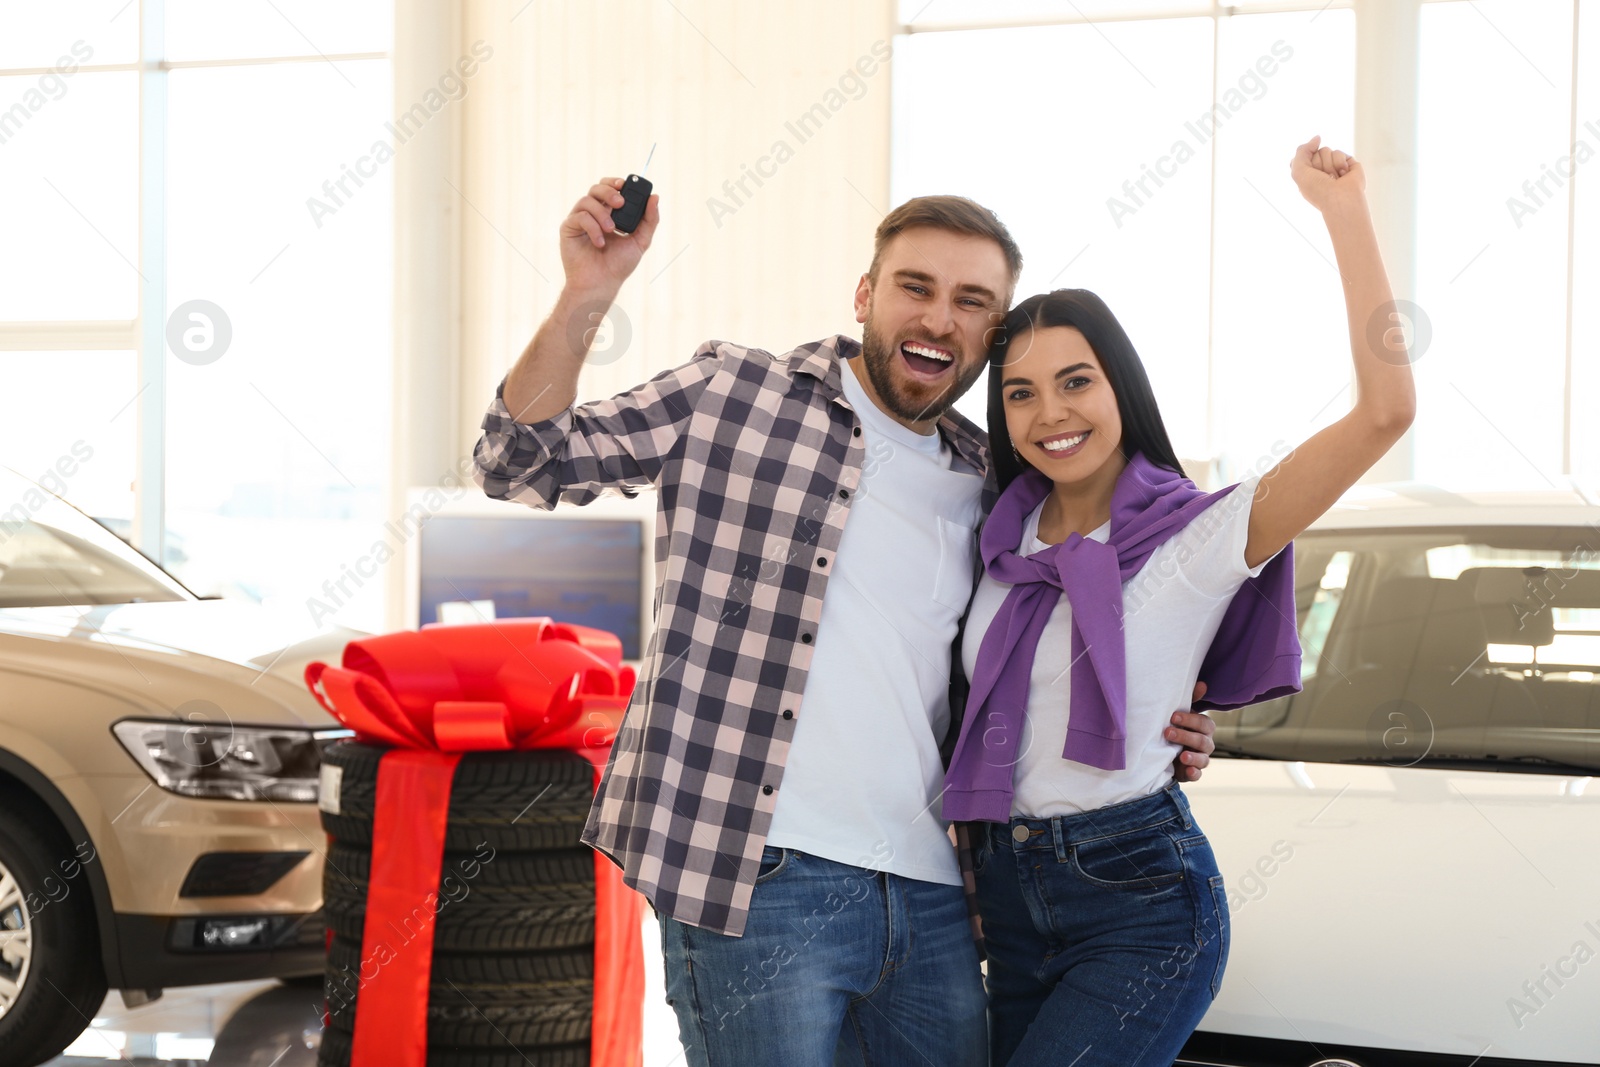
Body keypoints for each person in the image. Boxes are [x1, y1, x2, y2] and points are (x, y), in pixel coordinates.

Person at [472, 179, 1219, 1066]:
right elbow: (518, 462)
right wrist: (586, 293)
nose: (940, 318)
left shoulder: (998, 486)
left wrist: (1167, 721)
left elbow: (1043, 653)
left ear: (994, 335)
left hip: (933, 886)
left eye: (971, 301)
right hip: (756, 876)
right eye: (917, 287)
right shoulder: (731, 392)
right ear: (866, 295)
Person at [942, 137, 1416, 1066]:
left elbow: (1385, 414)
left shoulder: (1200, 535)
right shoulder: (995, 544)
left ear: (1121, 384)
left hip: (1141, 901)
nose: (1051, 415)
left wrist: (1346, 215)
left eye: (1076, 381)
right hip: (1002, 892)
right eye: (1022, 394)